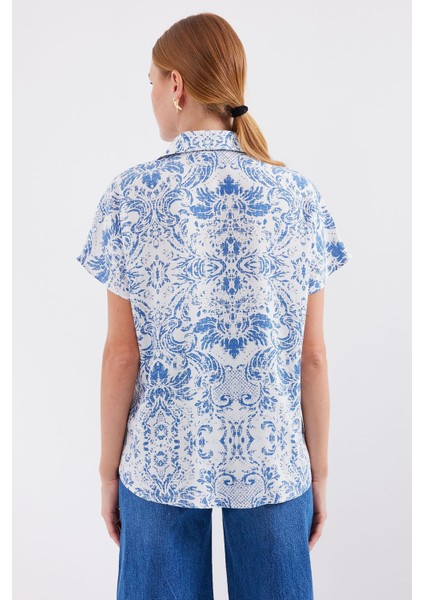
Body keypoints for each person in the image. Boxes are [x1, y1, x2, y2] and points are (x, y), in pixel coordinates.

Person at [76, 12, 352, 600]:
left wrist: (107, 472)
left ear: (176, 85)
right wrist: (320, 473)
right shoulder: (297, 196)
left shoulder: (129, 196)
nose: (151, 95)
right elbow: (314, 356)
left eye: (152, 82)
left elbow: (122, 355)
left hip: (160, 460)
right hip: (273, 462)